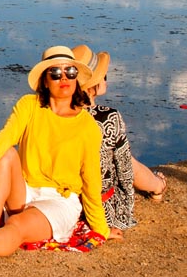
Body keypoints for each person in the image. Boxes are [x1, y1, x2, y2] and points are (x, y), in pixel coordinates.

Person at [0, 45, 109, 267]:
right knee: (6, 153)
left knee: (17, 224)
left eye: (70, 72)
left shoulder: (87, 126)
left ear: (77, 78)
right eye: (55, 73)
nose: (63, 78)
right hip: (25, 190)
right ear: (45, 81)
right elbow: (8, 134)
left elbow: (91, 180)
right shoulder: (29, 105)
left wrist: (101, 230)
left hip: (59, 200)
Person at [72, 44, 167, 235]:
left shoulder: (51, 116)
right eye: (103, 76)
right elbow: (126, 169)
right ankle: (158, 186)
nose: (106, 80)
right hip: (96, 210)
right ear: (92, 86)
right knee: (124, 160)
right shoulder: (108, 118)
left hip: (62, 205)